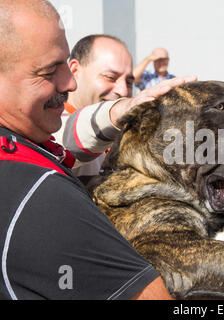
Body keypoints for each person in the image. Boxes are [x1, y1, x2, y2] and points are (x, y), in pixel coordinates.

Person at [0, 0, 195, 299]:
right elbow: (72, 135)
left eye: (129, 80)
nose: (69, 82)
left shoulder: (30, 138)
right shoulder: (40, 190)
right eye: (49, 70)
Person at [53, 34, 135, 185]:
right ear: (74, 70)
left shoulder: (127, 133)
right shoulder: (50, 124)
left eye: (129, 82)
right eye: (110, 77)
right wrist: (114, 113)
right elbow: (67, 141)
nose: (123, 91)